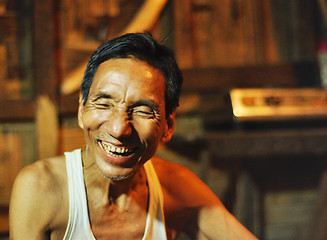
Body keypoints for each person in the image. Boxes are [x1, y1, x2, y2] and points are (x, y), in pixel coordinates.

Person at [9, 33, 257, 240]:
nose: (119, 129)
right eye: (104, 104)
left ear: (168, 125)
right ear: (81, 110)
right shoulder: (41, 187)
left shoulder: (175, 187)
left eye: (142, 110)